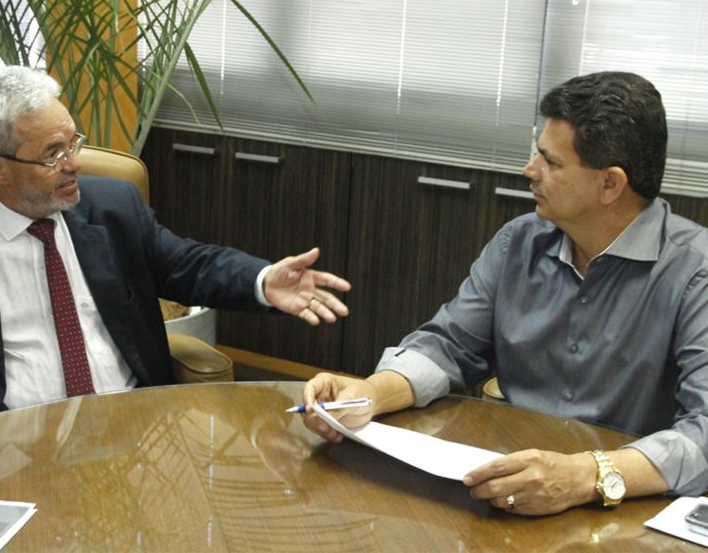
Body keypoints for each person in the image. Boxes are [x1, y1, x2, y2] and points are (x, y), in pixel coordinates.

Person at [302, 71, 708, 516]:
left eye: (551, 163)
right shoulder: (519, 241)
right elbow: (449, 345)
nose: (529, 171)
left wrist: (587, 476)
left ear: (610, 184)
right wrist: (370, 394)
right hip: (508, 487)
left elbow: (704, 432)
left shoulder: (695, 272)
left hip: (629, 507)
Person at [0, 65, 351, 434]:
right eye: (53, 154)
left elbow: (188, 265)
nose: (75, 164)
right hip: (9, 436)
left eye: (73, 144)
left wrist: (262, 280)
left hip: (132, 425)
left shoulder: (111, 207)